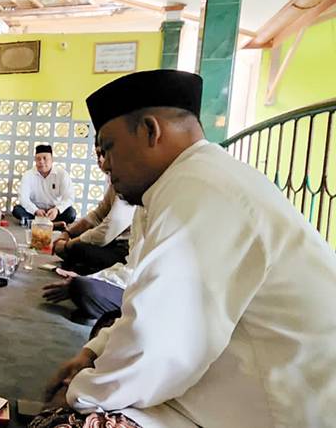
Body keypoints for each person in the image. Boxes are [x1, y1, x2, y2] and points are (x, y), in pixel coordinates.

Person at [45, 70, 336, 428]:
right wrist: (93, 354)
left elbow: (157, 346)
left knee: (69, 420)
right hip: (233, 387)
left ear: (150, 131)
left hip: (280, 411)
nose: (105, 164)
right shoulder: (189, 181)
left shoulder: (200, 191)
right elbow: (148, 300)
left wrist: (78, 393)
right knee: (108, 335)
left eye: (109, 148)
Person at [42, 207, 145, 323]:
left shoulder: (155, 210)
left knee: (82, 284)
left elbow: (135, 274)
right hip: (126, 269)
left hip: (146, 295)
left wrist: (68, 245)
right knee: (79, 272)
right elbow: (129, 265)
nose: (120, 198)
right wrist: (68, 233)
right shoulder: (141, 208)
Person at [51, 147, 135, 275]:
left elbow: (105, 233)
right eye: (98, 154)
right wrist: (68, 233)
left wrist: (69, 245)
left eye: (104, 154)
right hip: (110, 243)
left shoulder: (129, 183)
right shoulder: (114, 182)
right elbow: (96, 216)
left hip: (124, 252)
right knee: (75, 241)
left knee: (77, 247)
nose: (100, 159)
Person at [13, 145, 76, 226]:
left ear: (52, 159)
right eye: (38, 159)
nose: (41, 162)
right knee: (17, 210)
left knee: (71, 213)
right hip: (36, 211)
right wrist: (35, 210)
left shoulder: (62, 174)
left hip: (53, 212)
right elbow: (23, 198)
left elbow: (69, 197)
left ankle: (37, 223)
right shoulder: (28, 175)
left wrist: (57, 210)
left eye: (45, 158)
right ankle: (52, 224)